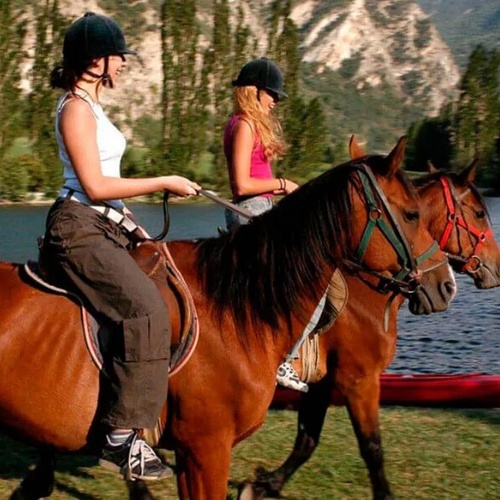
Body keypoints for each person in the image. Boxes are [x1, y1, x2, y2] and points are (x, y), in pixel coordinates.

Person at [43, 12, 200, 481]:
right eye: (119, 56)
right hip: (78, 228)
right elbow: (93, 184)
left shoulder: (92, 107)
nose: (125, 64)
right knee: (145, 310)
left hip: (103, 225)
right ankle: (120, 435)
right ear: (96, 61)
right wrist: (164, 181)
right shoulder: (74, 108)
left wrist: (138, 230)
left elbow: (103, 188)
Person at [224, 57, 310, 392]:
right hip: (251, 210)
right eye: (271, 92)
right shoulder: (244, 125)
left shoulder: (247, 123)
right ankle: (281, 359)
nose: (275, 99)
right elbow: (241, 185)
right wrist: (283, 184)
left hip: (263, 208)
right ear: (254, 91)